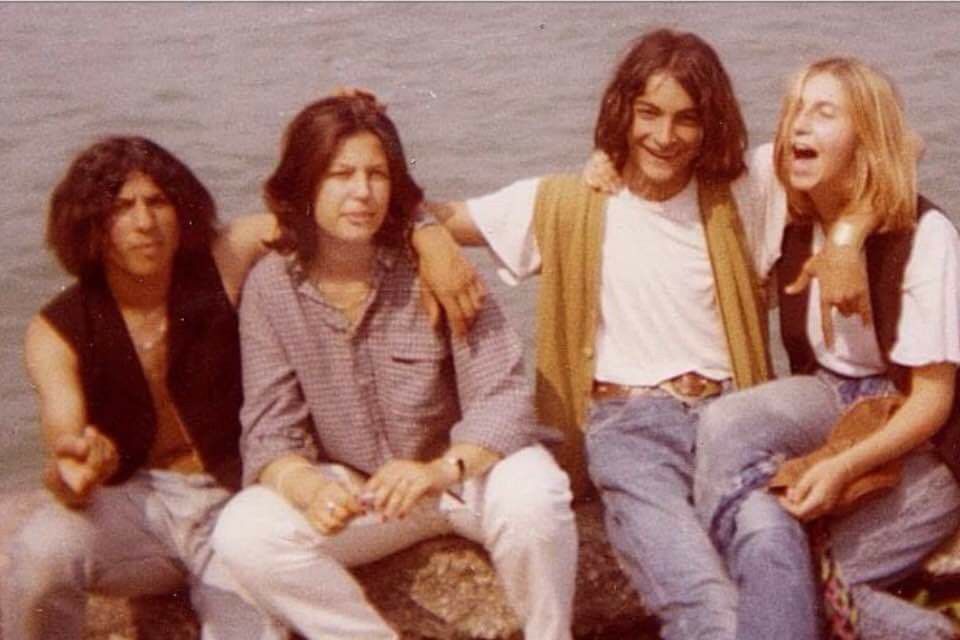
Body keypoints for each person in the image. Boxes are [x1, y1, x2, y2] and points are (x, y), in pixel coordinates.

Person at [408, 28, 879, 640]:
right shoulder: (568, 203)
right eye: (649, 113)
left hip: (732, 422)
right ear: (622, 111)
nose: (664, 136)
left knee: (771, 547)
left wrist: (847, 239)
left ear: (710, 124)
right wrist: (429, 239)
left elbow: (889, 149)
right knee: (704, 599)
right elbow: (426, 211)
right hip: (630, 432)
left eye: (686, 119)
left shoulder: (744, 192)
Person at [210, 95, 577, 640]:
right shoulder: (271, 288)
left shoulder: (437, 267)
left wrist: (438, 471)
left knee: (535, 495)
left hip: (462, 479)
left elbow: (503, 397)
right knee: (244, 533)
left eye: (377, 174)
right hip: (368, 493)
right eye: (341, 175)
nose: (363, 192)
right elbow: (269, 430)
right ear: (305, 185)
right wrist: (309, 489)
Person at [694, 57, 960, 639]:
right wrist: (604, 163)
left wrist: (841, 468)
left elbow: (933, 404)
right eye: (794, 109)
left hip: (927, 442)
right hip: (832, 397)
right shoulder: (785, 196)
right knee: (724, 425)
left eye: (823, 112)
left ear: (865, 138)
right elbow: (676, 157)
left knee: (807, 576)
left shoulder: (927, 238)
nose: (798, 125)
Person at [3, 136, 286, 639]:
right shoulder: (55, 331)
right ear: (90, 225)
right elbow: (65, 442)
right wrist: (76, 471)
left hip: (238, 503)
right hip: (138, 510)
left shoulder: (226, 260)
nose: (144, 222)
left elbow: (322, 218)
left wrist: (428, 236)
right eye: (121, 207)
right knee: (41, 552)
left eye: (157, 202)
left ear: (182, 210)